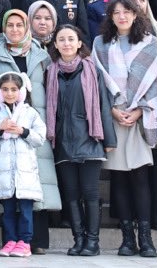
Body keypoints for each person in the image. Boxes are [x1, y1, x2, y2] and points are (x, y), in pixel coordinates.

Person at [91, 0, 157, 258]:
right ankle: (127, 239)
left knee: (140, 178)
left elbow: (155, 80)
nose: (122, 16)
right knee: (118, 178)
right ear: (110, 16)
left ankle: (146, 239)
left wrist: (139, 109)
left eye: (127, 12)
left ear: (136, 14)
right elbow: (97, 80)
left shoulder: (150, 42)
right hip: (113, 116)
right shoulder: (100, 44)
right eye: (116, 12)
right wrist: (112, 109)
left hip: (141, 117)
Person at [45, 24, 115, 257]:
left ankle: (93, 241)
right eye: (61, 39)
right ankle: (78, 240)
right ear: (55, 44)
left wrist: (108, 139)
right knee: (71, 194)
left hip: (89, 139)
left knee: (90, 193)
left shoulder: (90, 69)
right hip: (63, 140)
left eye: (70, 39)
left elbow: (104, 105)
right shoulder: (51, 72)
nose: (66, 43)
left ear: (78, 43)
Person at [0, 71, 46, 258]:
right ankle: (10, 241)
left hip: (25, 173)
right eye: (5, 89)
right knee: (7, 210)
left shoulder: (30, 113)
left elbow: (40, 137)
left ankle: (25, 242)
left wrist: (23, 131)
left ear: (21, 91)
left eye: (14, 89)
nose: (9, 93)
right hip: (3, 172)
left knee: (25, 210)